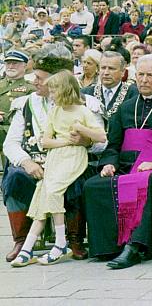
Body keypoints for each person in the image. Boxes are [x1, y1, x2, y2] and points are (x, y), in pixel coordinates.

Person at [84, 54, 152, 268]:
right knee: (93, 185)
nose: (144, 80)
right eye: (140, 75)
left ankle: (135, 246)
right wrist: (109, 164)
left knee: (150, 182)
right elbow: (113, 144)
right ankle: (109, 247)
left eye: (150, 75)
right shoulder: (125, 107)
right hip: (126, 167)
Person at [10, 70, 106, 267]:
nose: (50, 95)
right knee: (42, 195)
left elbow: (101, 136)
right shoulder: (54, 111)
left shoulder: (83, 111)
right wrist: (65, 142)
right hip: (56, 157)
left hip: (74, 159)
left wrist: (81, 132)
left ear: (64, 90)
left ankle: (62, 242)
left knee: (53, 192)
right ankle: (27, 246)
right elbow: (46, 142)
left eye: (53, 91)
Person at [81, 51, 138, 126]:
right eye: (103, 68)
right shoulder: (85, 93)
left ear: (123, 72)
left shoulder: (134, 94)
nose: (106, 72)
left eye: (111, 68)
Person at [0, 51, 35, 150]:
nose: (10, 66)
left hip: (12, 131)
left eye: (15, 63)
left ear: (24, 66)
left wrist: (3, 118)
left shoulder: (30, 88)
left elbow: (30, 115)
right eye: (8, 63)